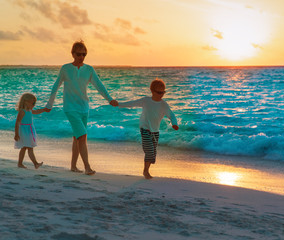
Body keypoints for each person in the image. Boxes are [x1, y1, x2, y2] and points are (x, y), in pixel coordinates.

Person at [45, 40, 118, 175]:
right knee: (82, 136)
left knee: (77, 137)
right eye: (79, 54)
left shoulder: (89, 69)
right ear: (72, 54)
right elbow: (56, 86)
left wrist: (109, 99)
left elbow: (99, 86)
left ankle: (73, 166)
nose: (81, 57)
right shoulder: (65, 68)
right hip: (70, 108)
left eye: (84, 54)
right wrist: (50, 104)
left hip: (84, 108)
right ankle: (87, 167)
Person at [117, 78, 179, 179]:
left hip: (155, 131)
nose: (161, 94)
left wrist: (174, 123)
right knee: (149, 151)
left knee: (153, 154)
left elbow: (171, 115)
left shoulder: (163, 104)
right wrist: (118, 104)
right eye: (159, 92)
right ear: (152, 91)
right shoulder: (146, 101)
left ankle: (147, 169)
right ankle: (145, 171)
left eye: (163, 92)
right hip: (145, 129)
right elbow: (132, 103)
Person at [14, 93, 46, 169]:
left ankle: (21, 163)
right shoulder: (22, 111)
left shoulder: (30, 110)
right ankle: (34, 164)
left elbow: (37, 111)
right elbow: (17, 122)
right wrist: (16, 134)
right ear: (26, 101)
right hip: (24, 131)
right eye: (33, 103)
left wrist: (44, 109)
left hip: (30, 130)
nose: (34, 104)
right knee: (27, 147)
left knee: (26, 147)